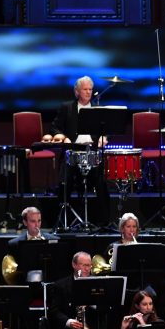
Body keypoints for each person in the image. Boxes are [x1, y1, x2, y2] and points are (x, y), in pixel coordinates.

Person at [44, 75, 111, 225]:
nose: (88, 92)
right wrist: (63, 136)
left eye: (90, 89)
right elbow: (54, 127)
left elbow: (106, 129)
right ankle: (63, 220)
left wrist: (103, 137)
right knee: (65, 182)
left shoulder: (98, 108)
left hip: (92, 152)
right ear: (77, 92)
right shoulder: (67, 107)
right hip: (72, 152)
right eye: (85, 89)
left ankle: (105, 221)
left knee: (102, 182)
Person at [47, 251, 94, 329]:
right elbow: (54, 311)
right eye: (83, 265)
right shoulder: (60, 285)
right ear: (74, 265)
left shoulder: (97, 283)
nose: (86, 269)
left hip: (91, 327)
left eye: (88, 265)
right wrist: (69, 322)